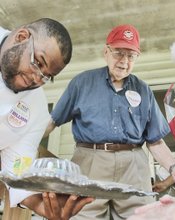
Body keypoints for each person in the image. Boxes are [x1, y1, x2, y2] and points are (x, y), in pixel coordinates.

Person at [45, 24, 175, 219]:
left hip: (133, 165)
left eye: (131, 55)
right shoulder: (82, 82)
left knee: (141, 216)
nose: (124, 61)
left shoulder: (144, 90)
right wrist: (20, 145)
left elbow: (155, 141)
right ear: (106, 52)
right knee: (83, 215)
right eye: (118, 53)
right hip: (90, 160)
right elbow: (52, 122)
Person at [0, 18, 93, 220]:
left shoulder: (36, 110)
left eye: (46, 76)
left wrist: (42, 205)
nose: (36, 79)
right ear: (22, 37)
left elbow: (17, 168)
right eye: (38, 63)